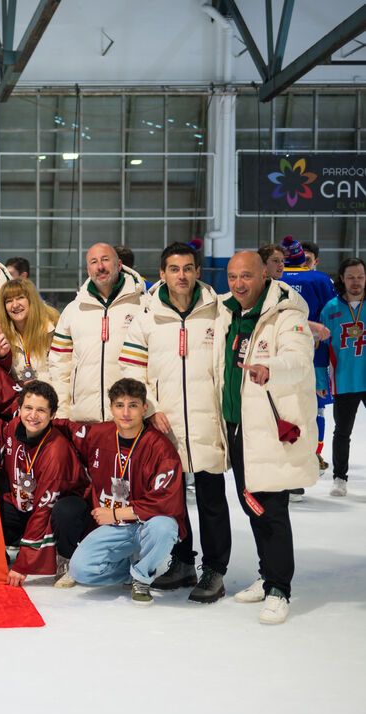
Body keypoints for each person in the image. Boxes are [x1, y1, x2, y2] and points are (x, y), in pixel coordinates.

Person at [119, 242, 230, 603]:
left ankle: (214, 570)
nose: (181, 276)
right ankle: (182, 563)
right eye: (173, 269)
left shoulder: (219, 312)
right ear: (162, 273)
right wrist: (150, 408)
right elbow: (130, 369)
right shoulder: (147, 316)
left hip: (207, 421)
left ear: (198, 271)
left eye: (187, 268)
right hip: (164, 426)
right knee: (172, 501)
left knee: (212, 499)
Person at [216, 251, 316, 624]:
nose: (239, 284)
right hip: (236, 426)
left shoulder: (286, 316)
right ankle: (267, 573)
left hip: (266, 429)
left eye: (246, 276)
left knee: (271, 508)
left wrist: (268, 368)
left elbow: (297, 359)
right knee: (252, 503)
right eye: (232, 277)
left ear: (264, 275)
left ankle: (279, 588)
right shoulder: (228, 312)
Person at [60, 379, 185, 606]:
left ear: (145, 408)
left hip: (145, 525)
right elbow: (63, 427)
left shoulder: (160, 448)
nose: (126, 413)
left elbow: (167, 502)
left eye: (133, 405)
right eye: (119, 405)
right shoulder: (99, 434)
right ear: (111, 408)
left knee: (166, 527)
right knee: (80, 570)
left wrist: (118, 514)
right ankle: (129, 571)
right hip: (115, 528)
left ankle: (141, 577)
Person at [0, 381, 86, 588]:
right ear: (19, 409)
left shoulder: (56, 452)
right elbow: (3, 439)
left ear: (52, 415)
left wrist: (23, 564)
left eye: (41, 410)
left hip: (57, 511)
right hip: (26, 503)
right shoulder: (16, 425)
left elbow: (44, 509)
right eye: (28, 408)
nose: (33, 416)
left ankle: (65, 558)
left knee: (65, 511)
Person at [49, 243, 146, 422]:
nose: (100, 267)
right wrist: (61, 414)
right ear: (88, 269)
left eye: (105, 260)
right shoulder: (73, 310)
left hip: (130, 419)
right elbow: (60, 367)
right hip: (84, 419)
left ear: (119, 264)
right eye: (94, 262)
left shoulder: (144, 306)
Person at [279, 236, 336, 480]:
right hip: (315, 355)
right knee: (317, 408)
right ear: (305, 260)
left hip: (279, 353)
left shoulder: (273, 278)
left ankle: (287, 457)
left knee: (282, 407)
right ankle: (313, 454)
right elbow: (332, 311)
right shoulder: (320, 279)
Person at [318, 258, 366, 497]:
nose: (355, 282)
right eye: (351, 277)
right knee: (342, 432)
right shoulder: (330, 309)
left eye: (360, 276)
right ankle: (339, 478)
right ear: (342, 279)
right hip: (344, 379)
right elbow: (320, 348)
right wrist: (320, 380)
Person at [0, 277, 59, 385]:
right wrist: (1, 357)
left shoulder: (54, 328)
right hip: (20, 399)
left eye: (20, 298)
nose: (15, 305)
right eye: (9, 301)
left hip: (51, 397)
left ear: (31, 300)